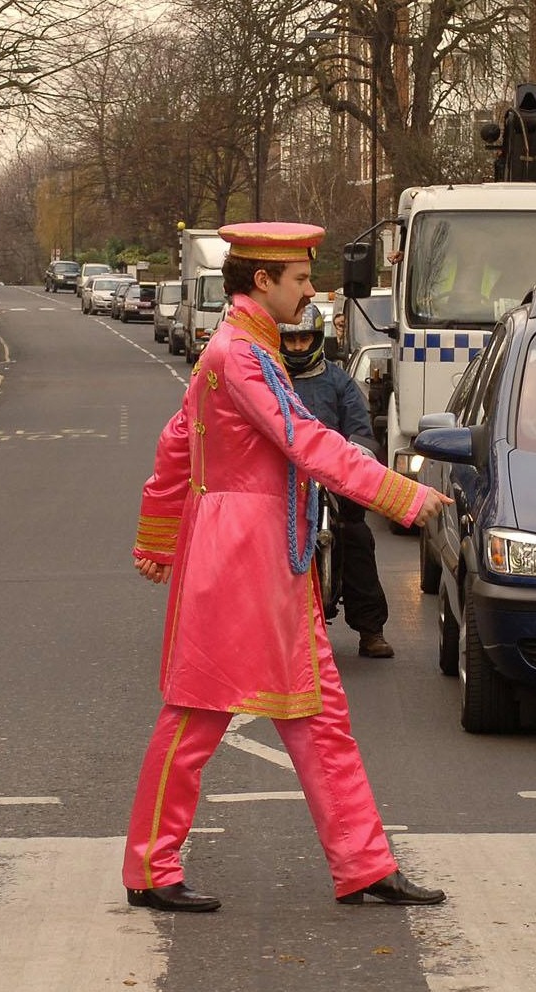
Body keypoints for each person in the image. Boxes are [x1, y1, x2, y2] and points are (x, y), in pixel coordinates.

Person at [123, 222, 451, 914]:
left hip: (263, 554)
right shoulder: (240, 355)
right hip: (241, 555)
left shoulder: (243, 349)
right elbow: (305, 441)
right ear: (261, 281)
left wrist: (157, 538)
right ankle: (150, 867)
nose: (311, 292)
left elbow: (176, 443)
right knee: (198, 711)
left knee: (318, 710)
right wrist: (401, 494)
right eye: (300, 281)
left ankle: (363, 864)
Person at [280, 303, 393, 659]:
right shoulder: (271, 378)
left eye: (304, 339)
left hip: (333, 476)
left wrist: (357, 454)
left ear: (317, 339)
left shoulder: (339, 381)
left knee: (356, 535)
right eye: (291, 339)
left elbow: (360, 428)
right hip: (283, 482)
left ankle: (370, 629)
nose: (298, 346)